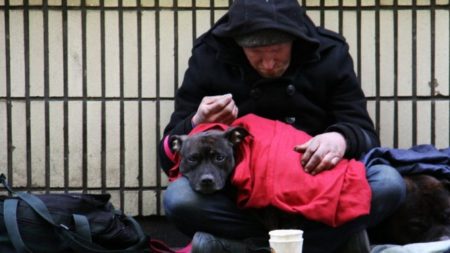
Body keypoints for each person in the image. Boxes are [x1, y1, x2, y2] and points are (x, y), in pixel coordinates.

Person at [158, 0, 406, 252]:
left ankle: (241, 248)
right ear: (237, 44)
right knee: (179, 199)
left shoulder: (330, 51)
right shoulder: (210, 55)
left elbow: (364, 133)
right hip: (241, 198)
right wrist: (197, 121)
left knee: (388, 183)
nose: (268, 64)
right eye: (255, 53)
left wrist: (339, 138)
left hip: (316, 187)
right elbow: (169, 155)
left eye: (277, 50)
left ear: (295, 40)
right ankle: (331, 243)